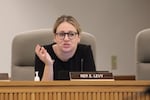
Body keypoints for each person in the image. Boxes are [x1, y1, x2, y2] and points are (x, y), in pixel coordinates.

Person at [35, 15, 96, 81]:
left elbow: (92, 86)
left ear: (78, 38)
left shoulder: (85, 51)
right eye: (61, 34)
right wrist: (48, 64)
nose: (66, 39)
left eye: (71, 34)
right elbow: (43, 90)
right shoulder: (44, 53)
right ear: (55, 37)